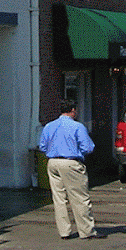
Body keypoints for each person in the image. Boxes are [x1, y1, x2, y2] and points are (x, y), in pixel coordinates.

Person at [38, 99, 97, 240]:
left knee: (59, 199)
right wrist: (79, 153)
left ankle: (64, 231)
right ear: (73, 110)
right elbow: (88, 147)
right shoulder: (77, 126)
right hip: (71, 162)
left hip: (52, 162)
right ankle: (86, 231)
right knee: (80, 198)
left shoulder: (49, 126)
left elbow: (42, 146)